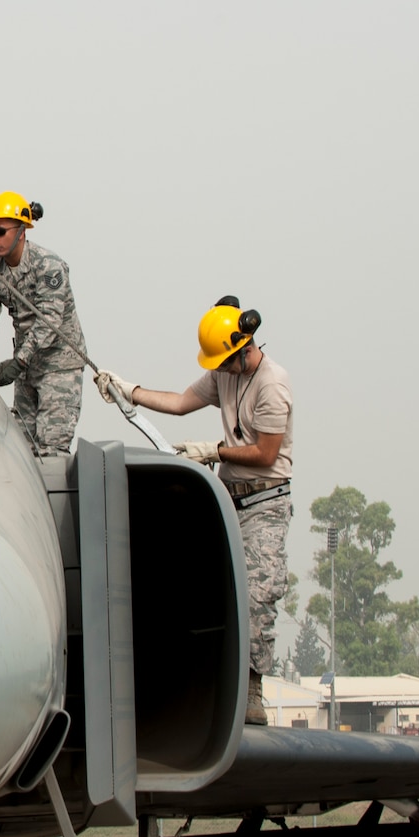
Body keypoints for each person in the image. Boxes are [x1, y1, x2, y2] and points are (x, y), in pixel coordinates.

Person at [93, 297, 293, 725]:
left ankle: (252, 686)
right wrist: (130, 392)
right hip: (228, 496)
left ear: (243, 348)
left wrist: (213, 450)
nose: (218, 371)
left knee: (258, 593)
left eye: (223, 363)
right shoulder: (225, 373)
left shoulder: (272, 385)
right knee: (204, 587)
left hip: (265, 503)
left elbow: (266, 451)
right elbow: (182, 402)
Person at [0, 191, 87, 457]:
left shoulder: (49, 267)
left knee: (51, 450)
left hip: (59, 367)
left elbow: (50, 320)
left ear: (21, 231)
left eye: (0, 231)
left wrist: (18, 361)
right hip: (26, 370)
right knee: (23, 452)